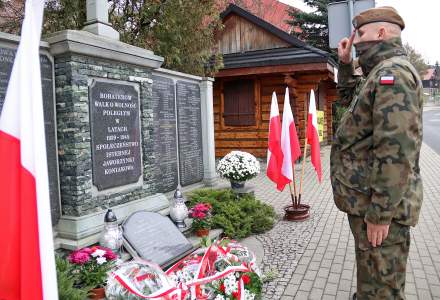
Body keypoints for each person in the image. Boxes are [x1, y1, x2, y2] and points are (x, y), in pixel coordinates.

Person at [330, 6, 423, 300]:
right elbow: (349, 100)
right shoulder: (377, 74)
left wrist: (380, 215)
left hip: (380, 210)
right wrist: (345, 65)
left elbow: (395, 154)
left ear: (381, 33)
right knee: (371, 281)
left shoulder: (392, 74)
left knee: (381, 291)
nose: (355, 41)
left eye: (360, 34)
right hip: (369, 203)